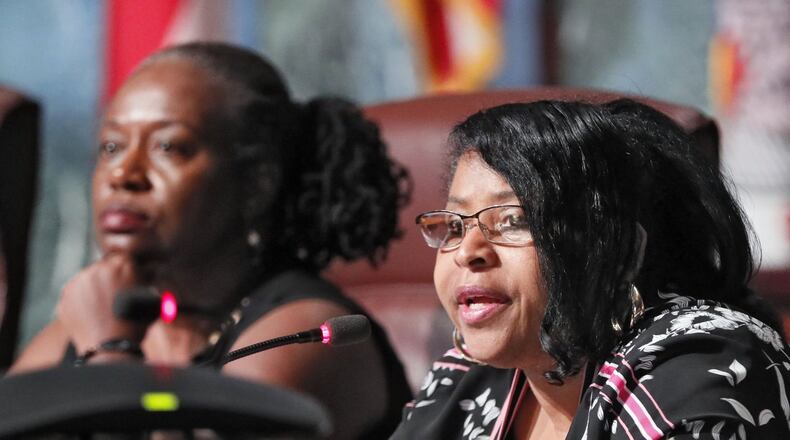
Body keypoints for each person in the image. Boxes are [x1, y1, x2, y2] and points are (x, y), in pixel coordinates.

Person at [10, 42, 412, 439]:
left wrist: (108, 354)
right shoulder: (94, 316)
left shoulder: (303, 337)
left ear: (257, 185)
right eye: (112, 147)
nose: (123, 174)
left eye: (169, 147)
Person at [390, 99, 790, 439]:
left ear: (617, 249)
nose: (467, 252)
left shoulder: (701, 361)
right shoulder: (462, 378)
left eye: (514, 220)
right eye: (455, 225)